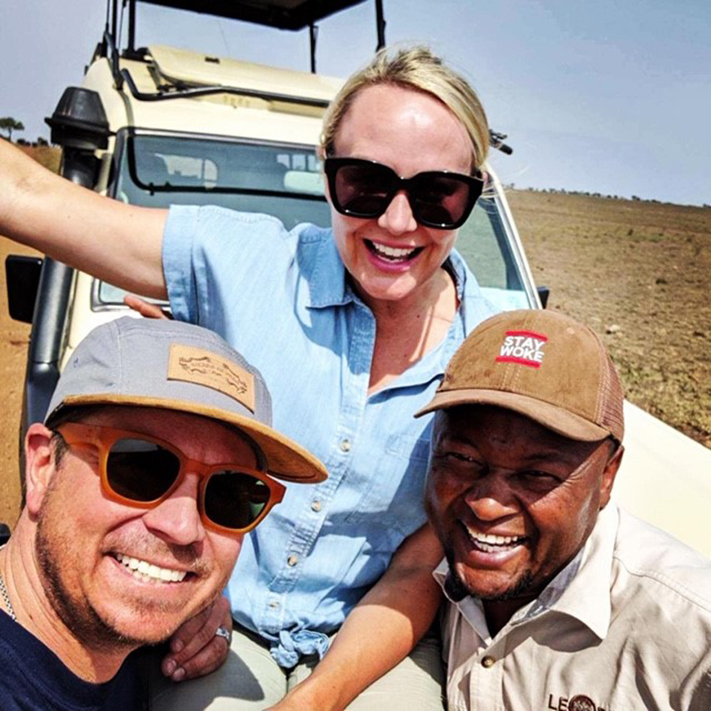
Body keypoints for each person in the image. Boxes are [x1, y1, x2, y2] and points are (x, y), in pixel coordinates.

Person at [0, 45, 496, 708]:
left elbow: (417, 561)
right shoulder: (244, 264)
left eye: (437, 195)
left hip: (381, 632)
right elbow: (27, 195)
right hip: (217, 613)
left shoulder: (493, 347)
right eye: (364, 186)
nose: (397, 222)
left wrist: (313, 699)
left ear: (474, 194)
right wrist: (195, 586)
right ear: (327, 177)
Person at [0, 317, 326, 710]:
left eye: (229, 493)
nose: (183, 527)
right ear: (42, 467)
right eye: (140, 468)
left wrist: (202, 610)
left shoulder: (114, 627)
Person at [419, 309, 711, 709]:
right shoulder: (419, 568)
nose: (486, 505)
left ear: (607, 475)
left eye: (537, 474)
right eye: (463, 459)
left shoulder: (691, 633)